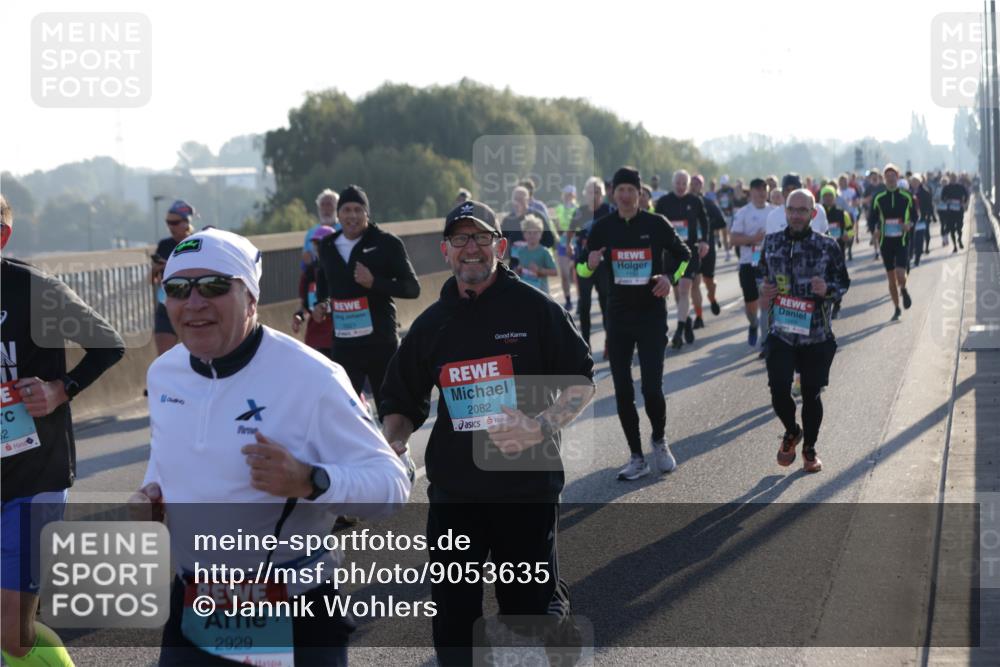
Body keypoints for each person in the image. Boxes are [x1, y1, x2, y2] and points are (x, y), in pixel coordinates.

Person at [134, 228, 411, 666]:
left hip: (291, 605)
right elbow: (168, 451)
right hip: (196, 600)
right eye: (178, 288)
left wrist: (311, 480)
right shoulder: (163, 374)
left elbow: (393, 485)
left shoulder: (312, 378)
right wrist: (153, 490)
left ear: (251, 297)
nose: (194, 302)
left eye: (214, 286)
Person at [380, 200, 595, 666]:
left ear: (500, 246)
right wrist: (392, 439)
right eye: (460, 239)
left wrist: (540, 426)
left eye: (480, 238)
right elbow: (400, 399)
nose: (471, 248)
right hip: (456, 496)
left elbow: (580, 381)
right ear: (445, 251)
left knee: (527, 621)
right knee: (455, 622)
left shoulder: (535, 309)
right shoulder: (432, 325)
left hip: (525, 492)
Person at [1, 194, 125, 667]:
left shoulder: (35, 290)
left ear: (3, 235)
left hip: (35, 477)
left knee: (12, 633)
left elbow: (108, 344)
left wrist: (60, 388)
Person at [579, 167, 692, 481]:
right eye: (620, 190)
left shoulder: (655, 224)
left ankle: (659, 440)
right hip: (618, 319)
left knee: (652, 388)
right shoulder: (601, 228)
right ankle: (636, 457)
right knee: (622, 391)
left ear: (640, 193)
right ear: (613, 193)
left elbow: (685, 254)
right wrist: (588, 265)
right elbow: (583, 268)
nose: (625, 195)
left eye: (631, 190)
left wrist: (670, 278)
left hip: (652, 316)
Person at [759, 189, 850, 474]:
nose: (796, 215)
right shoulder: (772, 242)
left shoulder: (827, 246)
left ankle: (809, 448)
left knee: (811, 394)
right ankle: (791, 430)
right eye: (792, 209)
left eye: (802, 210)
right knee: (778, 390)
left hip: (816, 334)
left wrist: (828, 290)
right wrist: (765, 288)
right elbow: (761, 273)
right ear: (785, 212)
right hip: (782, 332)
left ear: (812, 214)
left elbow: (843, 282)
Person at [313, 185, 421, 412]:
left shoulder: (386, 243)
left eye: (358, 210)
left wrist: (374, 283)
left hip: (380, 342)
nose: (352, 215)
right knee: (343, 407)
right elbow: (323, 280)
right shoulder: (327, 245)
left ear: (367, 214)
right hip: (344, 344)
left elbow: (412, 288)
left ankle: (396, 446)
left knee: (390, 406)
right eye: (346, 210)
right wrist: (321, 303)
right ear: (338, 214)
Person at [655, 170, 711, 350]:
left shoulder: (695, 201)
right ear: (672, 183)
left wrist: (704, 241)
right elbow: (656, 225)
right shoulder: (663, 202)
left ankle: (678, 332)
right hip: (671, 253)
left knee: (685, 289)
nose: (680, 186)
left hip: (689, 253)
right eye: (677, 182)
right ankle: (686, 322)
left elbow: (705, 221)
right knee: (678, 293)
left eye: (683, 183)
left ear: (687, 185)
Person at [729, 178, 772, 348]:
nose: (762, 193)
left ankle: (765, 340)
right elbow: (733, 239)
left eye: (764, 189)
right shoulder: (744, 213)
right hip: (748, 262)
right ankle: (753, 324)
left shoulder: (774, 212)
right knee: (751, 303)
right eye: (758, 190)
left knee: (765, 300)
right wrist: (753, 239)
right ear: (751, 192)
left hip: (767, 263)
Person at [869, 164, 916, 320]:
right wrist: (874, 229)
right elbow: (872, 218)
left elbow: (915, 216)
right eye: (887, 176)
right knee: (891, 278)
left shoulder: (907, 196)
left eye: (893, 176)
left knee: (900, 273)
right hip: (885, 242)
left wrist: (909, 225)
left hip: (902, 240)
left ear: (897, 177)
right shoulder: (878, 197)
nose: (890, 178)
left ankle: (904, 289)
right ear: (884, 179)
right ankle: (896, 308)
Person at [151, 200, 197, 356]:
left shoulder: (197, 243)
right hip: (166, 303)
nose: (171, 226)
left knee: (196, 356)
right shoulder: (164, 245)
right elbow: (152, 281)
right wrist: (155, 270)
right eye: (168, 222)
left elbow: (199, 273)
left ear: (186, 222)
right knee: (164, 359)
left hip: (191, 305)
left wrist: (171, 266)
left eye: (175, 222)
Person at [572, 178, 612, 349]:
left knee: (606, 303)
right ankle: (585, 344)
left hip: (604, 265)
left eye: (597, 192)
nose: (593, 195)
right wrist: (567, 245)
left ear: (602, 194)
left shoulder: (609, 210)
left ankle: (609, 342)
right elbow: (570, 232)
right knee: (584, 304)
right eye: (590, 192)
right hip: (583, 264)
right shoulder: (579, 213)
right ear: (585, 195)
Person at [292, 226, 335, 357]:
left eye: (322, 243)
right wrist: (299, 317)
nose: (318, 247)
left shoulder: (342, 272)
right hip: (314, 340)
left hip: (338, 339)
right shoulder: (308, 274)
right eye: (316, 244)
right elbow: (305, 307)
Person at [689, 174, 725, 327]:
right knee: (694, 282)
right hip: (690, 250)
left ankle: (712, 298)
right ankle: (699, 317)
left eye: (698, 183)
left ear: (702, 186)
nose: (695, 185)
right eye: (693, 183)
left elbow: (722, 222)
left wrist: (708, 229)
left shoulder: (709, 203)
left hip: (707, 248)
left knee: (709, 281)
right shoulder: (684, 203)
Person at [513, 214, 558, 294]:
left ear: (540, 234)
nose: (532, 235)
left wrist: (539, 270)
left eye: (535, 233)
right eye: (529, 233)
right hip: (526, 291)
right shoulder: (521, 251)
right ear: (524, 234)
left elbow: (554, 272)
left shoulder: (544, 252)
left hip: (542, 292)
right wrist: (517, 270)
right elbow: (520, 270)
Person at [553, 185, 579, 310]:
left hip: (575, 244)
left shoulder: (579, 209)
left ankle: (580, 299)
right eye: (566, 194)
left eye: (570, 194)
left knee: (576, 274)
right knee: (564, 274)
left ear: (574, 195)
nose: (568, 196)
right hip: (562, 244)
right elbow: (555, 225)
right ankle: (568, 299)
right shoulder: (559, 208)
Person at [302, 189, 339, 266]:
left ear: (337, 207)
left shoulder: (344, 229)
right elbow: (306, 258)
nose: (325, 209)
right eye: (322, 205)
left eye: (329, 204)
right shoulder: (311, 233)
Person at [909, 174, 935, 266]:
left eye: (916, 181)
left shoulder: (925, 192)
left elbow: (930, 205)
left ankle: (917, 258)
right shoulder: (908, 193)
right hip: (911, 220)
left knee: (920, 238)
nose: (914, 183)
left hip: (922, 219)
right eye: (913, 182)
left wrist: (930, 215)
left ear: (920, 182)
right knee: (911, 239)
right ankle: (911, 254)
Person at [939, 173, 969, 252]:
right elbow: (942, 197)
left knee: (959, 227)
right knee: (952, 228)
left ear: (957, 178)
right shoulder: (946, 187)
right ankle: (955, 246)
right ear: (950, 178)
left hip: (959, 209)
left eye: (954, 178)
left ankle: (959, 239)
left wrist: (964, 202)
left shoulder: (961, 187)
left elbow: (966, 195)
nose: (953, 179)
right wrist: (946, 201)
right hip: (950, 210)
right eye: (952, 178)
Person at [862, 169, 886, 260]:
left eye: (875, 176)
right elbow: (864, 201)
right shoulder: (868, 188)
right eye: (872, 176)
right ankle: (876, 252)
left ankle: (881, 248)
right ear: (870, 178)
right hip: (872, 213)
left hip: (882, 213)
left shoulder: (883, 186)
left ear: (878, 176)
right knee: (873, 232)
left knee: (880, 232)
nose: (874, 178)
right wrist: (866, 211)